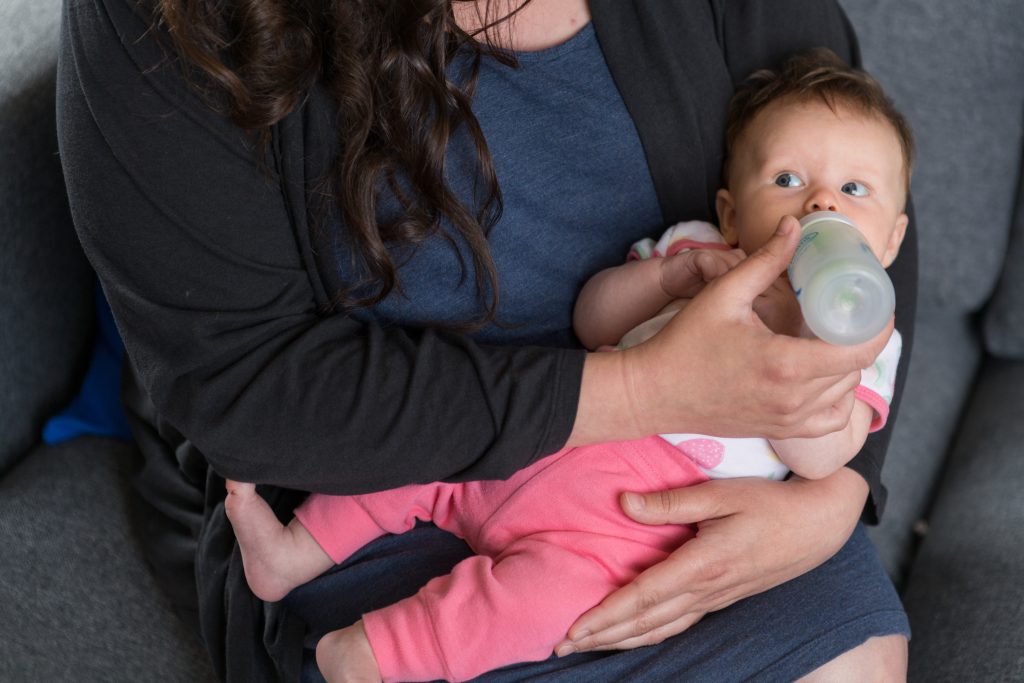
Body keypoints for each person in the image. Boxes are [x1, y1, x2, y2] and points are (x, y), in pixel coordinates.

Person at [58, 1, 917, 681]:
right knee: (449, 557)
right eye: (790, 186)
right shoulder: (167, 24)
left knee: (856, 655)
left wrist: (830, 500)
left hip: (664, 506)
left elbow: (859, 195)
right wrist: (639, 389)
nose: (817, 207)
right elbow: (245, 383)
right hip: (395, 457)